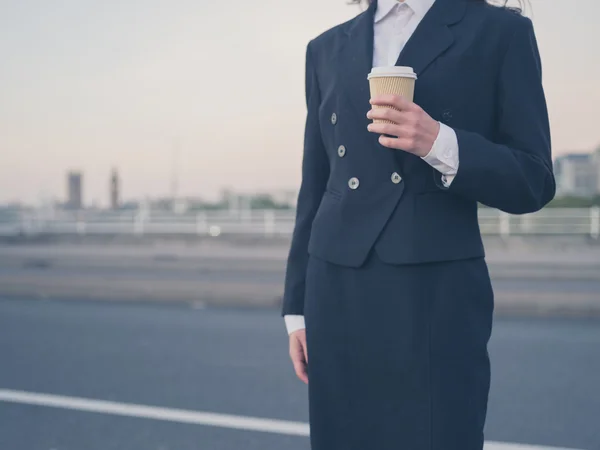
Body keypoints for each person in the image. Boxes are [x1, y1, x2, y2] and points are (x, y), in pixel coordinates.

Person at [282, 0, 555, 448]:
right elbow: (315, 185)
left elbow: (534, 179)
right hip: (335, 291)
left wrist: (440, 143)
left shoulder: (500, 33)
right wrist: (296, 308)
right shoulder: (325, 48)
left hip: (435, 298)